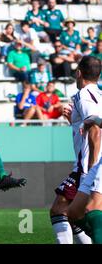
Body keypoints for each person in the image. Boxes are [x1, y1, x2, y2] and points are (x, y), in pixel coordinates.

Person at [52, 56, 102, 244]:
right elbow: (89, 125)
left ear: (79, 73)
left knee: (59, 209)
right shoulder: (98, 94)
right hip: (92, 163)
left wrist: (90, 169)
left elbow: (95, 130)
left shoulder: (84, 95)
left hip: (90, 165)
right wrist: (72, 120)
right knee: (74, 214)